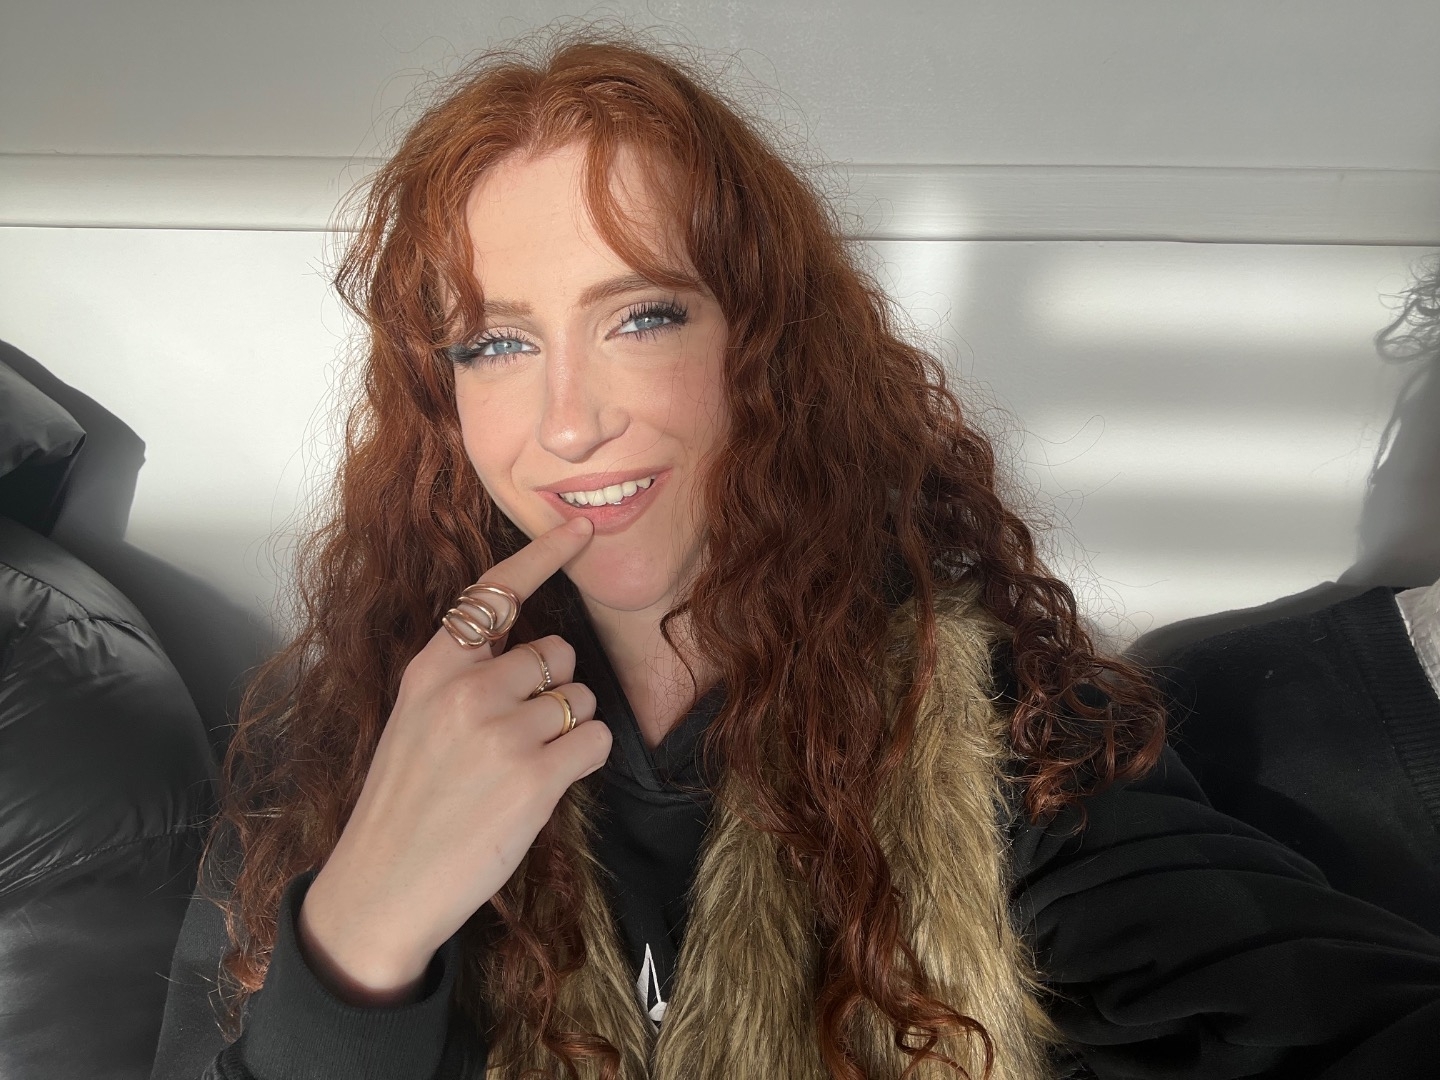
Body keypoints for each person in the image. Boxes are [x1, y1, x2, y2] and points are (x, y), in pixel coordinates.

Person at [151, 34, 1440, 1080]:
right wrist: (363, 926)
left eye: (642, 316)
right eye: (495, 343)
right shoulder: (336, 740)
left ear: (765, 351)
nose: (567, 423)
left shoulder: (999, 732)